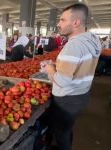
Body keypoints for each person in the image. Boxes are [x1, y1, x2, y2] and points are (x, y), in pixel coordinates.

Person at [44, 4, 101, 150]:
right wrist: (61, 66)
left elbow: (63, 81)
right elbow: (81, 66)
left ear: (76, 22)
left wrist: (50, 69)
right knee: (67, 128)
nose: (58, 24)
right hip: (81, 93)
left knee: (61, 133)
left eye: (62, 20)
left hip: (68, 99)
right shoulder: (93, 40)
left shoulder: (74, 46)